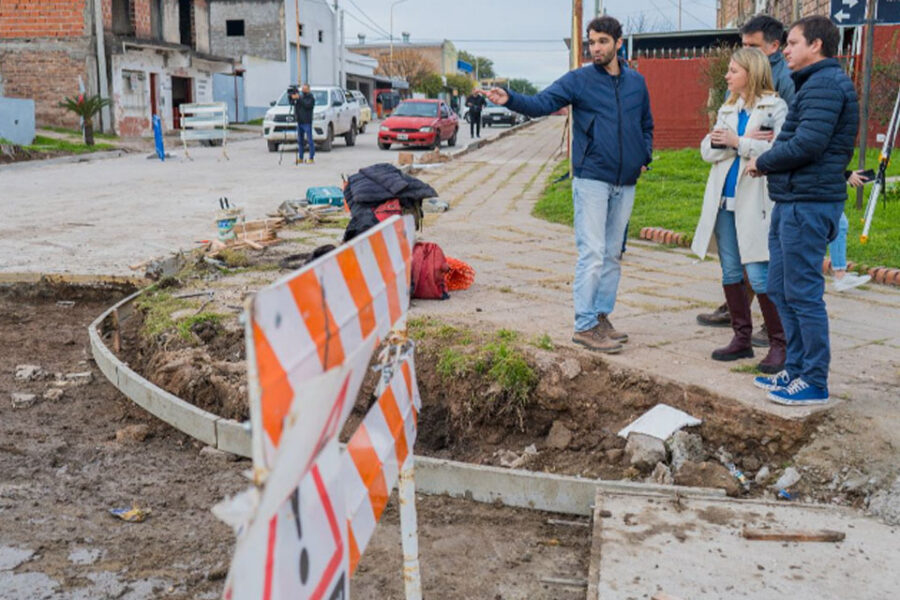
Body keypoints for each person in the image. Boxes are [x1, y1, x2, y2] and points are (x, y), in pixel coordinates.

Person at [480, 15, 653, 354]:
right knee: (592, 253)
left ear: (619, 43)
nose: (596, 48)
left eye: (602, 41)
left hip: (626, 180)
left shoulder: (637, 83)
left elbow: (646, 123)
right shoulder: (580, 80)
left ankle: (601, 317)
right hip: (591, 178)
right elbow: (541, 103)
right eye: (591, 42)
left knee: (613, 254)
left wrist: (643, 154)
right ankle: (584, 325)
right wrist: (510, 98)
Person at [746, 15, 859, 405]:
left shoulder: (826, 85)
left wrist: (764, 162)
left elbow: (808, 144)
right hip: (793, 200)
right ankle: (794, 369)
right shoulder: (811, 84)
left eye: (792, 43)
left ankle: (814, 380)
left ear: (817, 46)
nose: (786, 50)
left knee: (803, 293)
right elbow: (795, 138)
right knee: (780, 287)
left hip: (809, 204)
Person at [696, 14, 796, 333]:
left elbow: (780, 147)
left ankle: (776, 332)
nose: (726, 75)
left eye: (733, 69)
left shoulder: (777, 101)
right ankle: (741, 334)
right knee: (731, 269)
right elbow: (707, 149)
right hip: (724, 198)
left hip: (755, 195)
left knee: (758, 266)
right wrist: (740, 144)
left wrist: (737, 142)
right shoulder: (728, 108)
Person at [829, 170, 873, 291]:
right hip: (816, 189)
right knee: (838, 224)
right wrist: (846, 174)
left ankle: (840, 274)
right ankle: (840, 276)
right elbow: (824, 162)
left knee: (839, 224)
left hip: (818, 187)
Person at [290, 84, 316, 164]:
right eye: (302, 89)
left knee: (309, 140)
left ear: (308, 89)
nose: (303, 90)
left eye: (305, 89)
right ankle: (300, 157)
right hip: (300, 122)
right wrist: (291, 97)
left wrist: (299, 98)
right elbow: (293, 104)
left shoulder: (310, 97)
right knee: (300, 141)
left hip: (307, 122)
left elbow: (307, 105)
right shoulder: (300, 97)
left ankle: (311, 157)